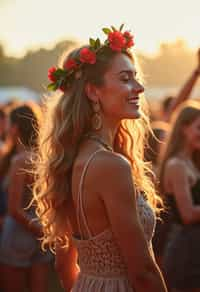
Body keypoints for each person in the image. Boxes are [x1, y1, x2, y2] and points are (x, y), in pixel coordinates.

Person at [33, 25, 167, 292]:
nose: (139, 87)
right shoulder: (111, 165)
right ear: (93, 91)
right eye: (126, 78)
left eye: (136, 77)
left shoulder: (72, 157)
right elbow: (142, 272)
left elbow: (63, 265)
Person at [0, 103, 53, 292]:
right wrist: (44, 231)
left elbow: (14, 209)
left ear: (14, 128)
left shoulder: (19, 161)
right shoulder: (45, 158)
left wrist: (37, 230)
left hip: (18, 235)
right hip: (41, 234)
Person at [159, 101, 200, 291]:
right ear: (183, 128)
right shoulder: (176, 165)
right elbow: (188, 214)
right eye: (199, 128)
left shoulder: (192, 161)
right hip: (185, 249)